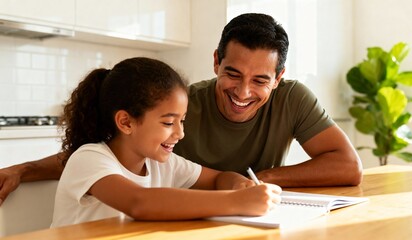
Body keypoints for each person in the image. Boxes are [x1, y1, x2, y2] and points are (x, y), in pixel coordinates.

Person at [0, 13, 362, 206]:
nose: (243, 91)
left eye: (260, 80)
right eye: (232, 73)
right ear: (216, 61)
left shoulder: (293, 97)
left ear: (279, 77)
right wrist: (23, 168)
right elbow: (104, 153)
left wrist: (258, 182)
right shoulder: (180, 103)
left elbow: (348, 166)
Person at [49, 57, 281, 227]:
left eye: (182, 121)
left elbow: (220, 177)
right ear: (126, 122)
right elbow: (139, 203)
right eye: (169, 123)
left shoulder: (161, 163)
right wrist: (236, 201)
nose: (180, 133)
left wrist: (240, 186)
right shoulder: (90, 158)